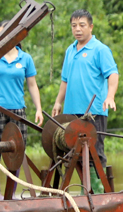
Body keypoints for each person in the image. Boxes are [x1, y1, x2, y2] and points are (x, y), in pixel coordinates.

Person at [0, 19, 44, 200]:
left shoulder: (25, 58)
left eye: (2, 35)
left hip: (17, 111)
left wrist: (38, 109)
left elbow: (33, 85)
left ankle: (11, 194)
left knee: (16, 152)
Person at [50, 10, 118, 178]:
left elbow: (113, 74)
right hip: (72, 112)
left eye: (82, 25)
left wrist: (110, 96)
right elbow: (65, 80)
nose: (77, 29)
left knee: (95, 152)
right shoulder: (70, 51)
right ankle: (82, 191)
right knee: (74, 152)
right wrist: (58, 102)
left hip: (93, 111)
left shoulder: (100, 49)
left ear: (91, 27)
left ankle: (97, 191)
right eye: (74, 26)